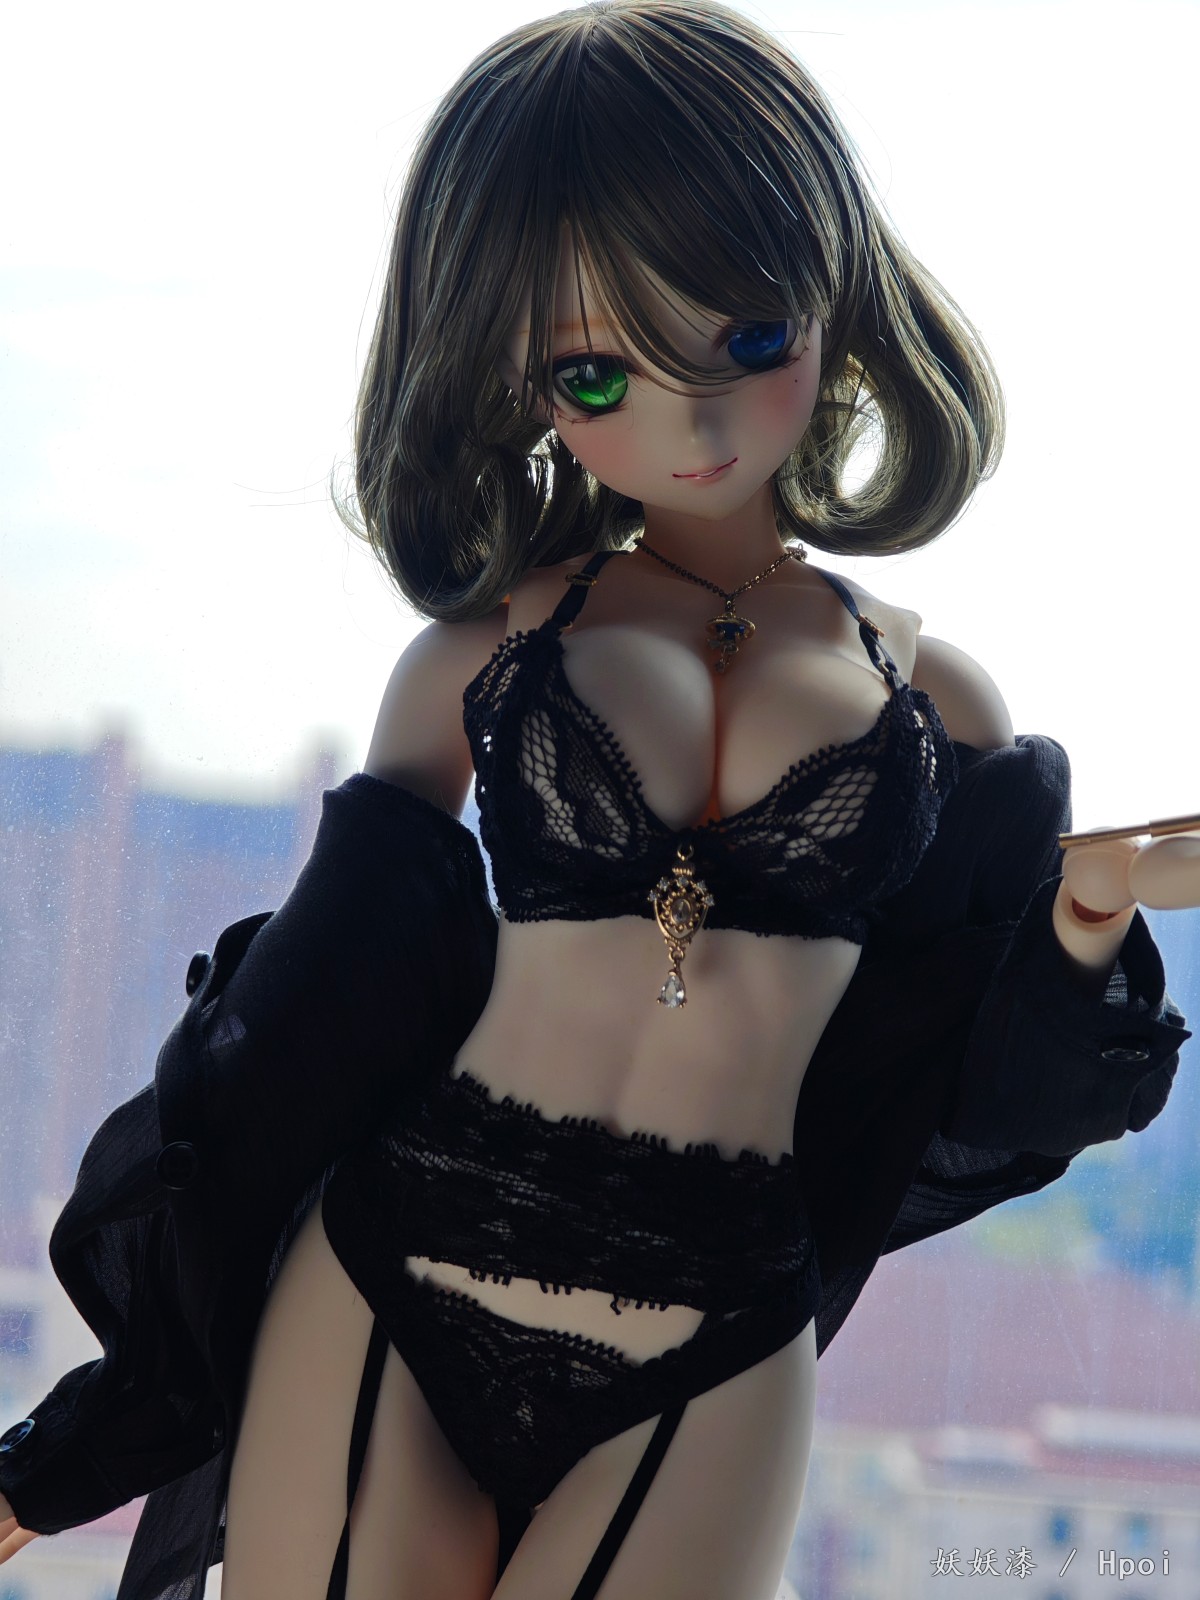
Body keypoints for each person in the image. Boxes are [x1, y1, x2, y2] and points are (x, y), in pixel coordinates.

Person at [0, 4, 1194, 1597]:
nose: (690, 420)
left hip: (720, 1322)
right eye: (597, 370)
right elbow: (302, 1029)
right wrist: (87, 1441)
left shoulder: (937, 706)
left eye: (749, 341)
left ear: (835, 305)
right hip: (396, 1270)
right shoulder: (480, 654)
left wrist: (1085, 911)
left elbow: (966, 1098)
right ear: (516, 371)